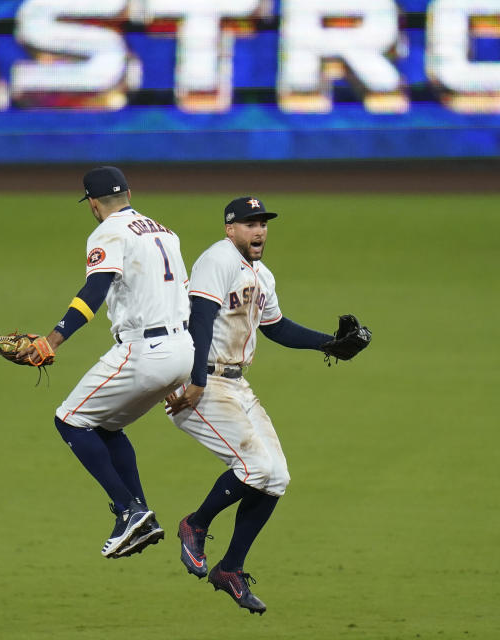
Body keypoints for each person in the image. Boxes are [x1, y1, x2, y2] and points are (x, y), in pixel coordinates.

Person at [164, 196, 370, 614]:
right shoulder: (216, 260)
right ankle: (195, 524)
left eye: (263, 223)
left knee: (276, 477)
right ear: (230, 229)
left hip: (236, 385)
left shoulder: (261, 274)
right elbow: (200, 318)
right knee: (255, 468)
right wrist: (199, 381)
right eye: (249, 223)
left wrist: (327, 343)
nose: (259, 230)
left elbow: (276, 327)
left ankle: (230, 569)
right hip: (199, 383)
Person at [18, 166, 193, 559]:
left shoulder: (107, 231)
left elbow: (95, 289)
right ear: (130, 192)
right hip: (183, 349)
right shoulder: (166, 232)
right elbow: (187, 298)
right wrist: (187, 374)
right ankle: (139, 513)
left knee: (70, 420)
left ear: (93, 204)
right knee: (106, 425)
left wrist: (52, 340)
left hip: (143, 350)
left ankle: (129, 509)